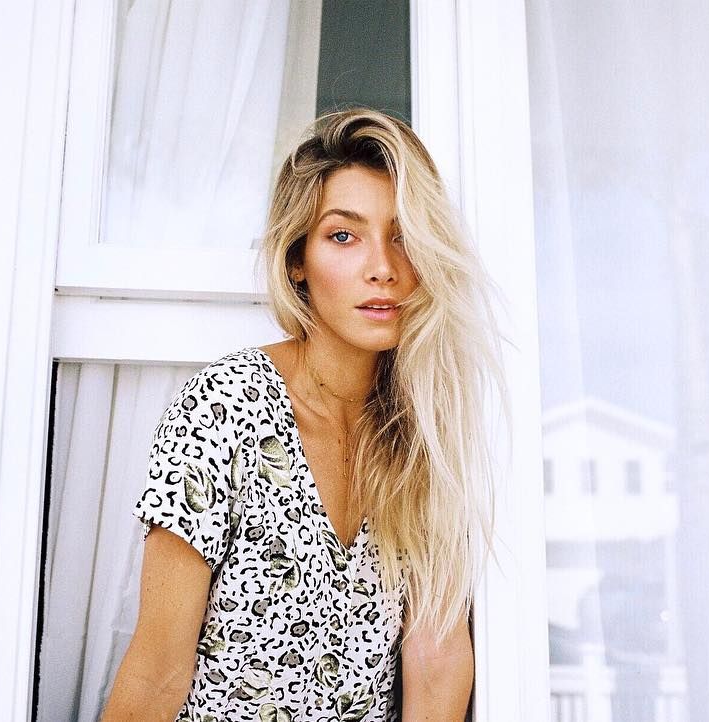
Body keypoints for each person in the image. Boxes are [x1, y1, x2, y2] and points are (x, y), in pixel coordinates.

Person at [101, 108, 509, 721]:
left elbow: (437, 656)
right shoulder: (225, 407)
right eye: (344, 236)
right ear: (297, 260)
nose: (383, 268)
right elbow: (158, 673)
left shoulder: (424, 430)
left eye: (403, 236)